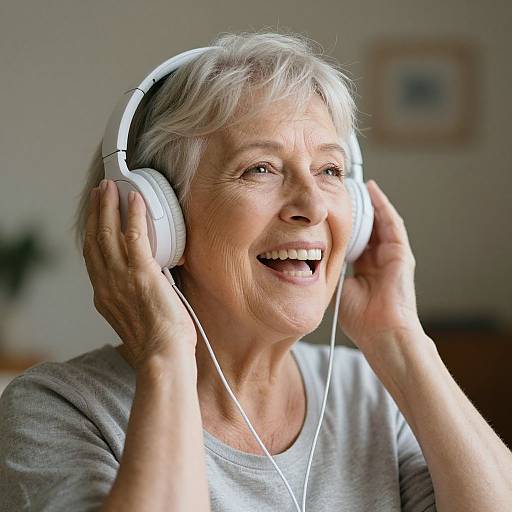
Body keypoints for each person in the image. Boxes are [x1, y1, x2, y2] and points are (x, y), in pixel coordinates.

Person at [1, 31, 511, 512]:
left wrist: (401, 340)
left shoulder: (369, 392)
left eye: (330, 170)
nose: (311, 206)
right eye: (260, 168)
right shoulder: (59, 410)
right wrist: (164, 357)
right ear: (158, 218)